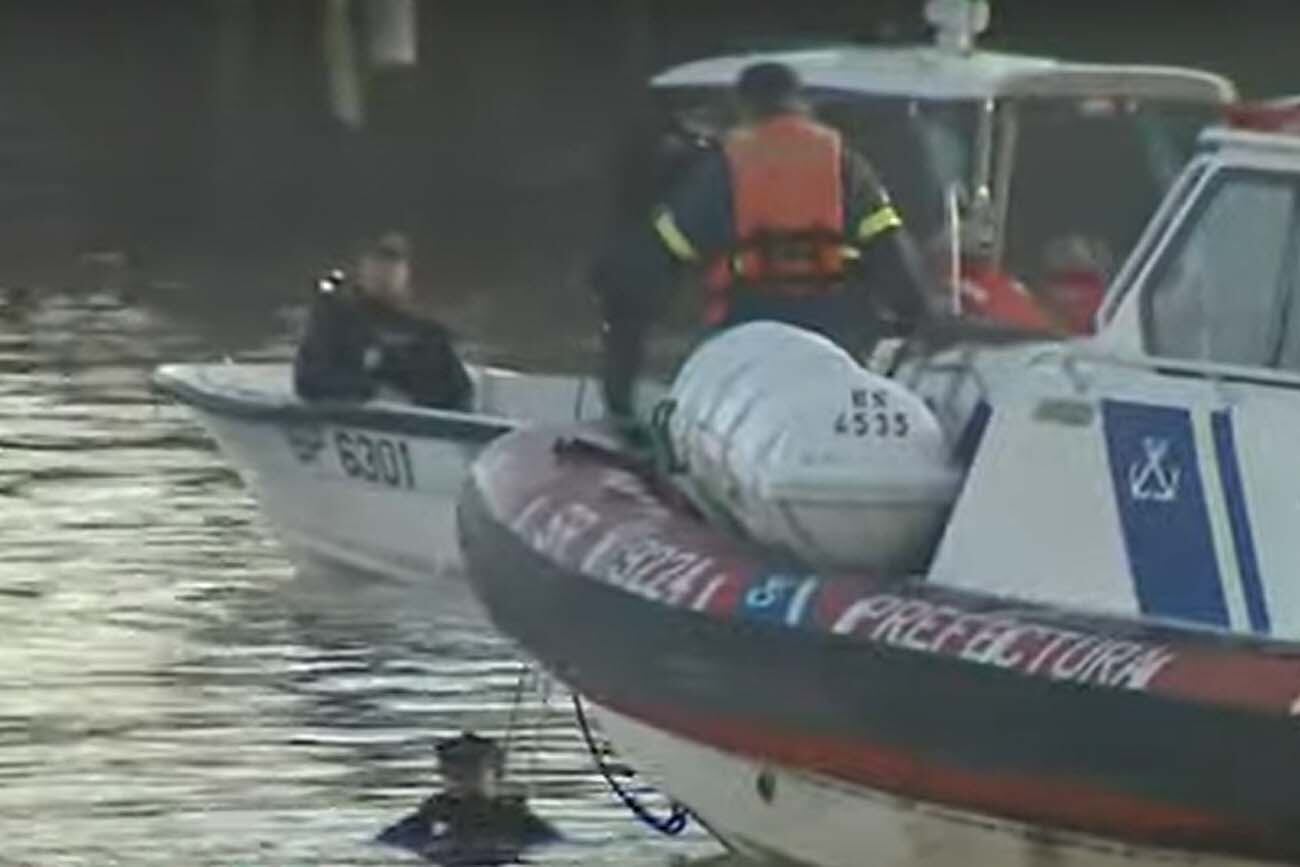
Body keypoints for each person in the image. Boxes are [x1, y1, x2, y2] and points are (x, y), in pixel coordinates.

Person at [593, 61, 934, 420]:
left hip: (748, 334)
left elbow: (658, 257)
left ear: (744, 105)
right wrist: (919, 318)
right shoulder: (845, 163)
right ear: (800, 103)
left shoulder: (724, 167)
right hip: (839, 337)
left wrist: (620, 340)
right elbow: (892, 254)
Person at [294, 231, 473, 410]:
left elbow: (459, 395)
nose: (384, 273)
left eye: (393, 264)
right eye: (376, 263)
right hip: (347, 418)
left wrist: (412, 401)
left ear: (406, 273)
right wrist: (373, 392)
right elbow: (309, 380)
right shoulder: (333, 320)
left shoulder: (428, 334)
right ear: (362, 269)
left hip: (417, 427)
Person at [377, 732, 559, 862]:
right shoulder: (423, 824)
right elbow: (385, 846)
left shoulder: (518, 822)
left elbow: (554, 845)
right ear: (442, 774)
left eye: (472, 770)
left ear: (497, 773)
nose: (461, 779)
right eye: (453, 771)